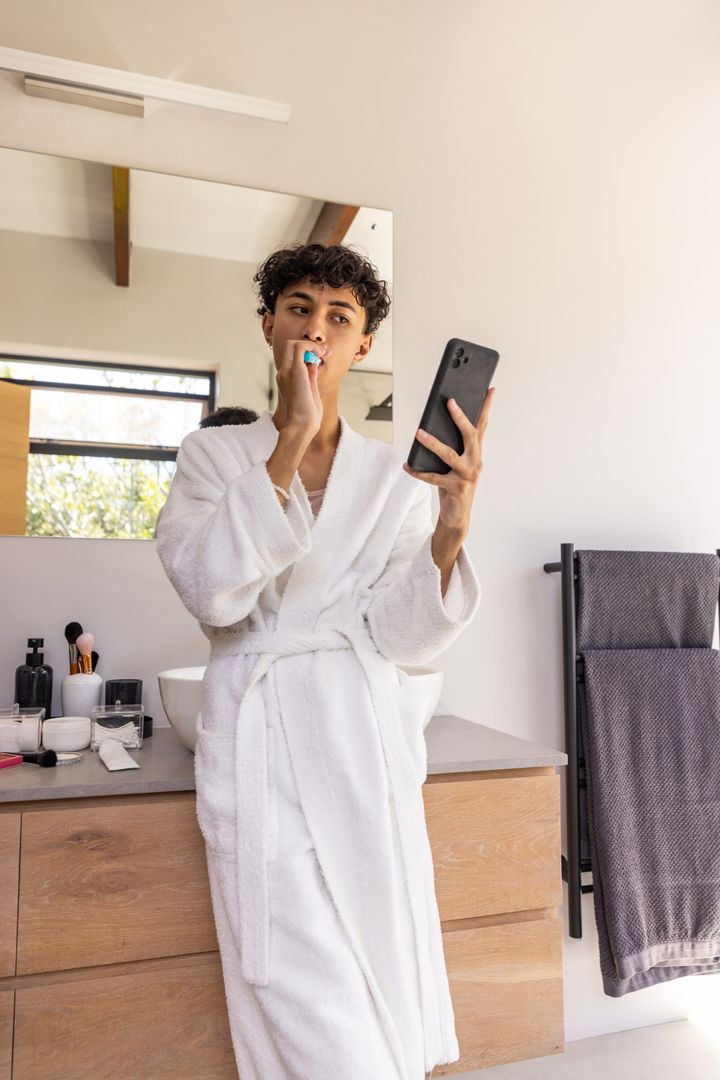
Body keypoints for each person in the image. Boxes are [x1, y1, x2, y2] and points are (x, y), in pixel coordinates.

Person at [155, 241, 495, 1079]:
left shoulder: (394, 480)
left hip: (360, 743)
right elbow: (212, 593)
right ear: (269, 324)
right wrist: (291, 438)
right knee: (305, 994)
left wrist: (452, 527)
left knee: (378, 970)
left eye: (339, 317)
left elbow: (400, 637)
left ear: (363, 345)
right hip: (261, 743)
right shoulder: (212, 458)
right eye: (300, 307)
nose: (317, 328)